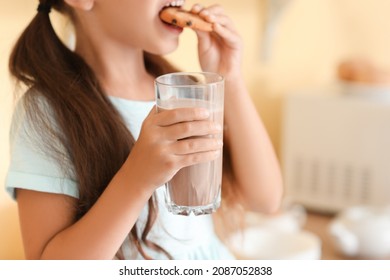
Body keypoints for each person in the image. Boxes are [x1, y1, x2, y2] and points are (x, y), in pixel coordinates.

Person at [5, 0, 283, 260]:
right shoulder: (47, 112)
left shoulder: (184, 91)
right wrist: (137, 178)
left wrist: (229, 77)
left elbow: (266, 199)